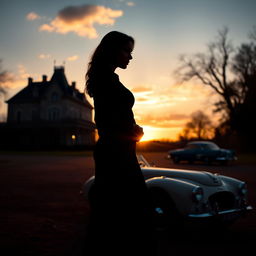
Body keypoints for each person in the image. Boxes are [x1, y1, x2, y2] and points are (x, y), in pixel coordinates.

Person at [84, 31, 157, 256]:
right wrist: (134, 131)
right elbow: (107, 122)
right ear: (112, 50)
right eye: (127, 51)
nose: (130, 57)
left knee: (114, 210)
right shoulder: (105, 80)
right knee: (129, 208)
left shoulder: (106, 78)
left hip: (117, 152)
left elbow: (112, 119)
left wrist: (132, 132)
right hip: (115, 154)